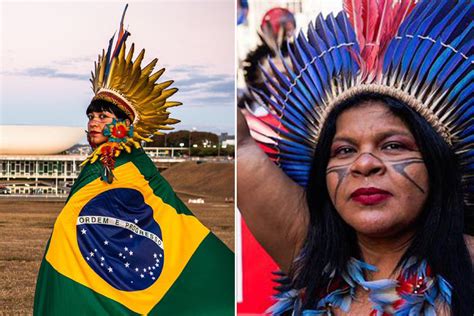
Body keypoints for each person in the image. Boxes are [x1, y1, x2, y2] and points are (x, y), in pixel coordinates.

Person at [238, 0, 473, 315]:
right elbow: (240, 150)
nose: (364, 164)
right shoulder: (310, 254)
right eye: (344, 150)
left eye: (392, 146)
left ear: (437, 164)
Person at [34, 5, 233, 315]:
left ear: (125, 125)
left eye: (102, 116)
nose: (93, 123)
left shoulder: (133, 164)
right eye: (90, 116)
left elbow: (153, 213)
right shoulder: (97, 163)